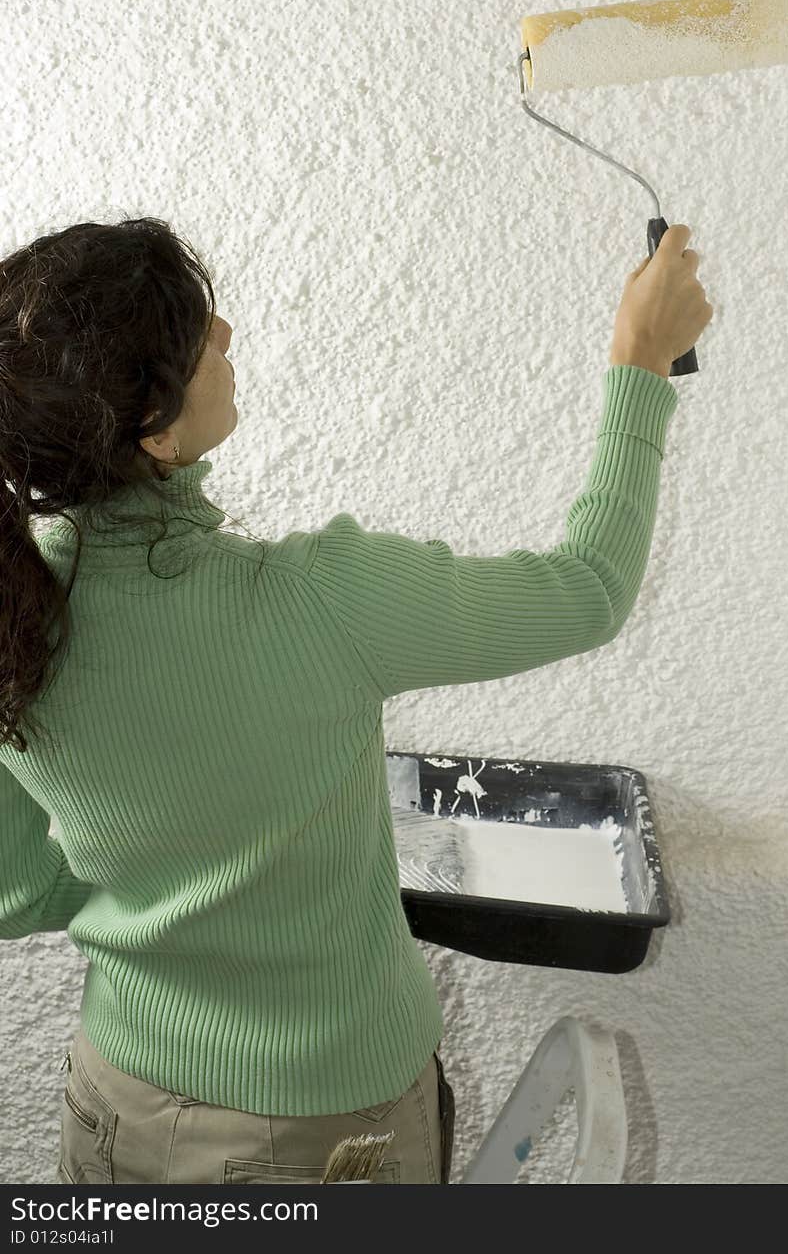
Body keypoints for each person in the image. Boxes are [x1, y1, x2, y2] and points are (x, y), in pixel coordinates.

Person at [0, 216, 711, 1184]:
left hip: (119, 1090)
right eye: (198, 331)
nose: (227, 336)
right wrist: (640, 362)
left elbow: (16, 890)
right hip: (314, 1128)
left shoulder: (14, 614)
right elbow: (586, 588)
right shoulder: (318, 599)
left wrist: (167, 876)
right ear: (157, 429)